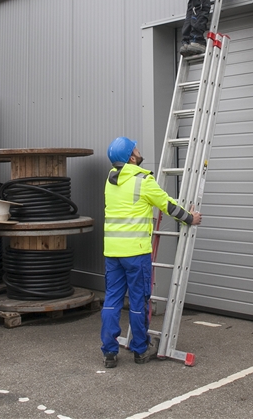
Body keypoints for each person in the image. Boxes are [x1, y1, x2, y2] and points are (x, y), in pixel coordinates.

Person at [100, 136, 202, 368]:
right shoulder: (142, 181)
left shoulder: (110, 180)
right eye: (135, 149)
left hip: (112, 252)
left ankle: (109, 352)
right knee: (138, 300)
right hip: (136, 253)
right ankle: (140, 349)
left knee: (112, 301)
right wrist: (190, 218)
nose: (139, 150)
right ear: (131, 158)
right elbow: (168, 205)